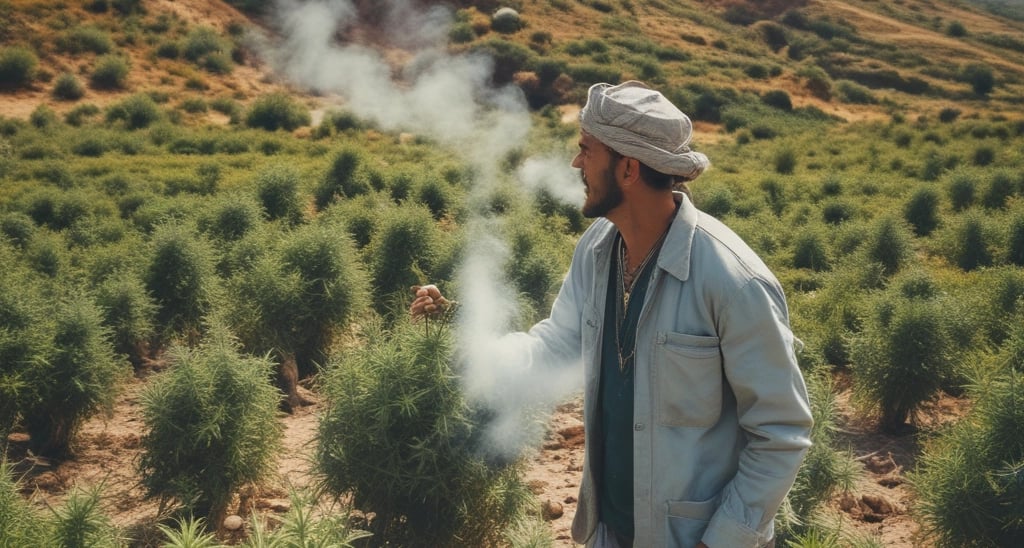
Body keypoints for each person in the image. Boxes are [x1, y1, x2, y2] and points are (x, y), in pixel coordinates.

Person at [411, 81, 812, 548]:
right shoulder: (597, 249)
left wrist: (721, 541)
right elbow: (555, 345)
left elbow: (781, 431)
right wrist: (462, 336)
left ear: (627, 168)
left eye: (586, 150)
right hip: (612, 531)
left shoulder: (733, 281)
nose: (576, 163)